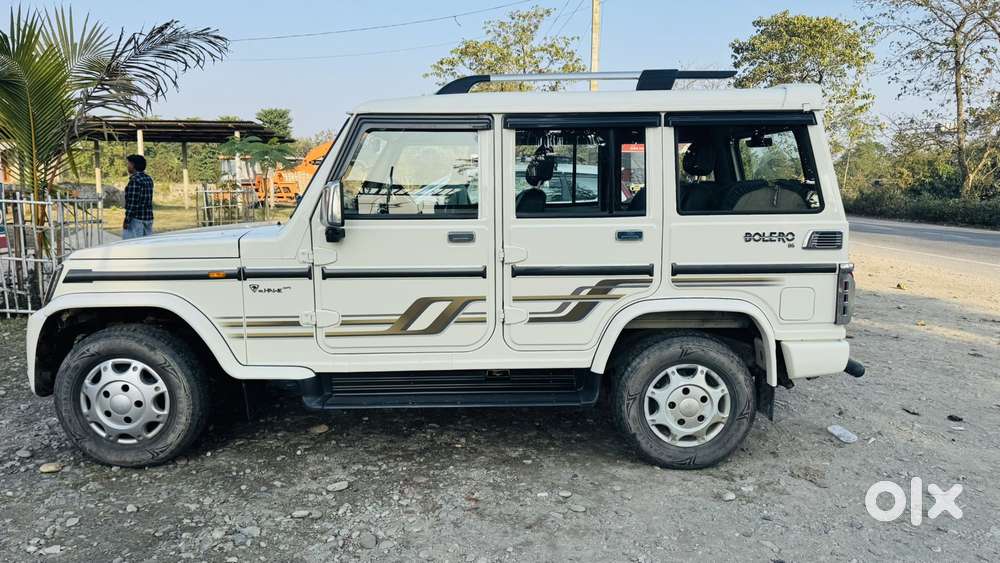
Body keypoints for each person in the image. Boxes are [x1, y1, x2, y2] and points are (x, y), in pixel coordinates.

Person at [123, 154, 154, 239]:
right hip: (148, 217)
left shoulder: (135, 181)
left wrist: (127, 220)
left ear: (133, 165)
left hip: (136, 220)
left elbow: (133, 203)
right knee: (147, 246)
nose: (127, 166)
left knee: (131, 246)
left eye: (128, 164)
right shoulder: (148, 179)